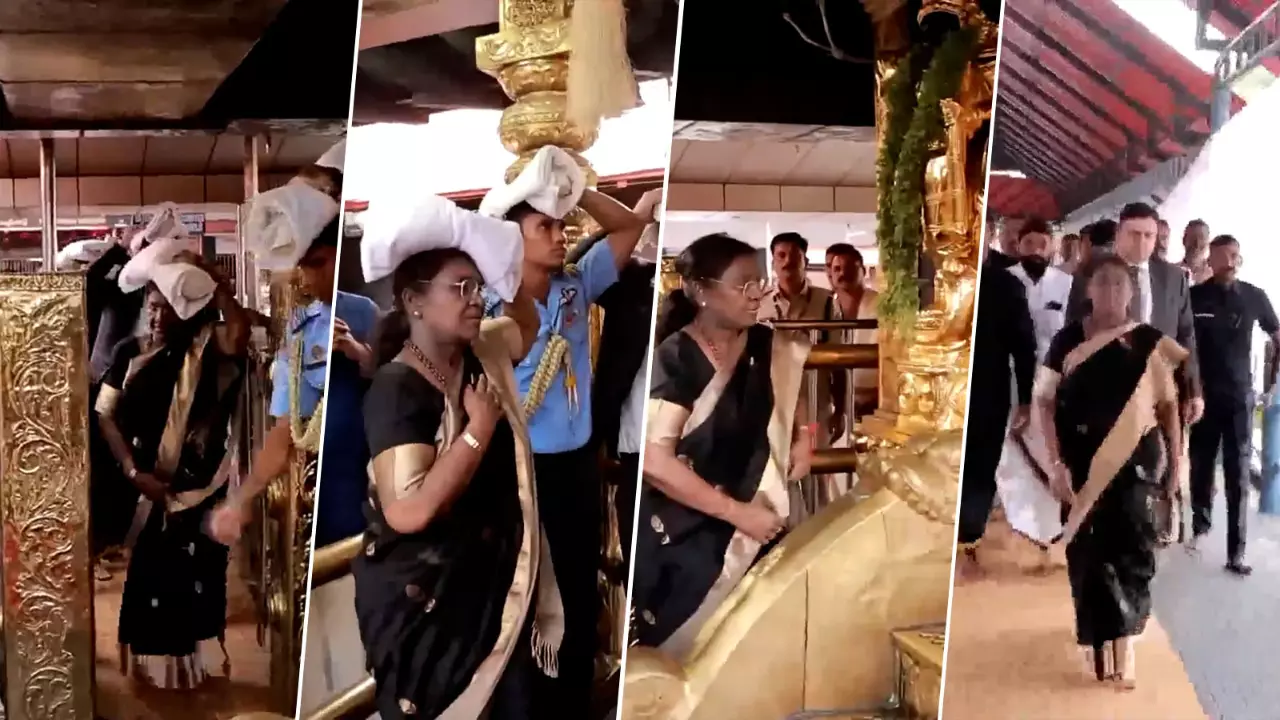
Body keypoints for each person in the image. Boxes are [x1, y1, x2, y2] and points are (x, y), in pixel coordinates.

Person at [352, 191, 554, 719]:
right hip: (428, 606)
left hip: (491, 589)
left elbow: (528, 327)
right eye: (460, 288)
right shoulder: (398, 389)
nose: (475, 299)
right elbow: (408, 511)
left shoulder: (479, 352)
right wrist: (477, 431)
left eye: (478, 287)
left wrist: (507, 275)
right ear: (413, 301)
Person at [478, 144, 653, 714]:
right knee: (525, 596)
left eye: (561, 224)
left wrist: (573, 191)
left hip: (576, 466)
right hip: (521, 469)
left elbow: (630, 225)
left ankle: (572, 700)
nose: (559, 234)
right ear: (512, 237)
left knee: (578, 592)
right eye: (544, 225)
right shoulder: (488, 300)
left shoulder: (577, 284)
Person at [632, 232, 812, 660]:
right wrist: (738, 514)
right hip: (687, 534)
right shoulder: (677, 357)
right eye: (743, 285)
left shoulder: (766, 344)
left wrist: (805, 436)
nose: (757, 295)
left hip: (760, 520)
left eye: (759, 282)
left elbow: (793, 387)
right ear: (700, 291)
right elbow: (656, 461)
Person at [95, 253, 250, 688]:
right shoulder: (130, 352)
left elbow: (238, 335)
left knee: (195, 575)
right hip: (146, 483)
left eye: (168, 307)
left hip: (196, 487)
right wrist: (131, 470)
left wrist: (214, 277)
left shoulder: (205, 348)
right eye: (152, 305)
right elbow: (104, 413)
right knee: (151, 576)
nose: (157, 315)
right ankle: (152, 670)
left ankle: (190, 670)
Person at [1038, 255, 1186, 689]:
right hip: (1081, 462)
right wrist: (1056, 463)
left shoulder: (1150, 342)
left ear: (1132, 292)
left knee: (1133, 550)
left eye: (1119, 286)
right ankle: (1097, 642)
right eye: (1102, 285)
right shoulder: (1066, 342)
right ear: (1087, 291)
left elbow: (1170, 409)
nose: (1111, 293)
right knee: (1086, 553)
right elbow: (1044, 403)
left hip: (1138, 462)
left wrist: (1177, 465)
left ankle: (1126, 640)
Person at [1188, 235, 1280, 574]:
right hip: (1203, 397)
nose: (1232, 262)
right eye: (1225, 257)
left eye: (1236, 256)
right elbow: (1183, 343)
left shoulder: (1254, 296)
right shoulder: (1195, 297)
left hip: (1241, 399)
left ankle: (1236, 553)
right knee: (1201, 466)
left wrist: (1271, 384)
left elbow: (1277, 334)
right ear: (1210, 261)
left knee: (1238, 476)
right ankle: (1200, 526)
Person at [1066, 203, 1202, 427]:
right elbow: (1074, 331)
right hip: (1105, 390)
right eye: (1134, 234)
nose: (1141, 242)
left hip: (1158, 392)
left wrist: (1193, 390)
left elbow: (1186, 336)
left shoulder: (1174, 278)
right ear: (1118, 234)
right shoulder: (1090, 273)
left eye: (1149, 235)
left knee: (1158, 459)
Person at [957, 242, 1037, 579]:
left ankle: (968, 545)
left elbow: (1023, 345)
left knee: (980, 466)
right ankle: (961, 542)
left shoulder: (1005, 285)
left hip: (989, 390)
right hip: (948, 389)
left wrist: (1025, 400)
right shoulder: (948, 282)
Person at [995, 218, 1072, 551]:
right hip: (1011, 378)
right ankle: (1019, 519)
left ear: (1052, 247)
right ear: (1017, 246)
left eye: (1043, 244)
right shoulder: (1003, 282)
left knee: (1050, 450)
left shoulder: (1066, 284)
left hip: (1055, 380)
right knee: (1012, 451)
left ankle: (1051, 526)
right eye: (1029, 244)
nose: (1036, 250)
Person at [1181, 220, 1212, 285]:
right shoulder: (1171, 273)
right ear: (1184, 240)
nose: (1197, 243)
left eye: (1202, 238)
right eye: (1193, 238)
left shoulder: (1216, 275)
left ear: (1208, 243)